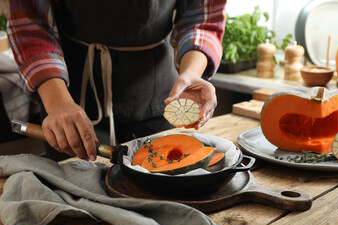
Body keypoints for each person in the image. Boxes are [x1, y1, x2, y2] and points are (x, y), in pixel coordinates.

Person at [7, 0, 227, 161]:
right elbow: (31, 28)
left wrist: (191, 73)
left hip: (160, 95)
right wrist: (57, 103)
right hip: (67, 101)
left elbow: (202, 18)